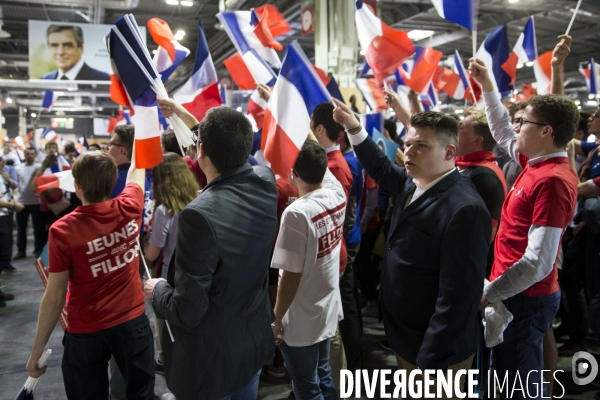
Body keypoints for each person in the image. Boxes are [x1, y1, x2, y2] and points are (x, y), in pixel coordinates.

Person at [333, 99, 491, 397]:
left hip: (434, 348)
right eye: (407, 144)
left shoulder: (464, 209)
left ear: (449, 152)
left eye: (421, 145)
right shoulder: (417, 180)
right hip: (407, 332)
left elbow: (458, 297)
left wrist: (430, 361)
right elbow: (380, 167)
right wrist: (354, 127)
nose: (409, 152)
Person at [144, 99, 278, 400]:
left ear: (200, 150)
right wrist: (184, 116)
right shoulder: (266, 181)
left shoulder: (198, 215)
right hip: (252, 341)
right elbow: (228, 147)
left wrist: (158, 289)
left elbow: (187, 310)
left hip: (212, 362)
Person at [470, 58, 578, 399]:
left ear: (546, 131)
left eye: (524, 122)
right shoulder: (537, 165)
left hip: (524, 297)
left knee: (520, 386)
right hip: (516, 293)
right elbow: (501, 129)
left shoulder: (552, 181)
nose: (516, 127)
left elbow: (538, 261)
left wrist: (491, 291)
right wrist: (487, 83)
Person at [25, 150, 155, 400]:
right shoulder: (130, 206)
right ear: (111, 182)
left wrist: (36, 352)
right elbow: (137, 169)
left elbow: (54, 297)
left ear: (77, 186)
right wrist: (144, 116)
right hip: (132, 324)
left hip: (86, 332)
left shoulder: (63, 231)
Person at [271, 139, 345, 400]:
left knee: (306, 387)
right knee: (323, 375)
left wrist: (277, 319)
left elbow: (291, 276)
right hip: (325, 304)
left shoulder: (296, 213)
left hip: (301, 316)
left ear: (293, 173)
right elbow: (318, 162)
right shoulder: (337, 193)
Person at [143, 153, 199, 375]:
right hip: (197, 275)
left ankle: (167, 365)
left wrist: (146, 243)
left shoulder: (164, 209)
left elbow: (153, 253)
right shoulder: (200, 198)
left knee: (166, 333)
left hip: (169, 281)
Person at [456, 107, 507, 275]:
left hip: (468, 270)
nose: (454, 130)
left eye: (461, 127)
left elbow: (485, 237)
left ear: (477, 141)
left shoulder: (484, 176)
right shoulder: (467, 167)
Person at [41, 25, 109, 81]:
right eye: (54, 45)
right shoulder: (44, 80)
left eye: (67, 45)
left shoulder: (103, 79)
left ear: (81, 48)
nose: (60, 52)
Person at [14, 147, 44, 259]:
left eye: (32, 153)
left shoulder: (39, 167)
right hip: (22, 202)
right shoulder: (18, 168)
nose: (29, 155)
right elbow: (15, 184)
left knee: (38, 228)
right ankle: (21, 251)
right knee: (21, 229)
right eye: (27, 153)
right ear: (24, 155)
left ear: (35, 155)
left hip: (36, 202)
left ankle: (38, 249)